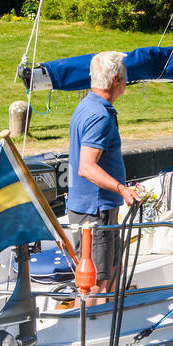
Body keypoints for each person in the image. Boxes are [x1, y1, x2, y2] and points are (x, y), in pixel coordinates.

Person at [66, 50, 136, 295]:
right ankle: (92, 330)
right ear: (117, 79)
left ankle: (111, 328)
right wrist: (122, 189)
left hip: (95, 208)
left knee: (112, 273)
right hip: (95, 212)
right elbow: (86, 166)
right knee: (95, 283)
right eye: (125, 76)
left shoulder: (87, 106)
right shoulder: (100, 116)